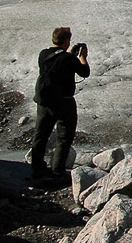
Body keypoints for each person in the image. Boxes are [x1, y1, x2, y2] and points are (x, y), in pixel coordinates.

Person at [30, 26, 91, 183]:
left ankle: (37, 168)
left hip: (44, 102)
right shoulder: (69, 59)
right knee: (64, 137)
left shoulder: (43, 54)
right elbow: (84, 72)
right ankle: (58, 172)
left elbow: (57, 63)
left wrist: (69, 53)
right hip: (64, 103)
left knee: (41, 135)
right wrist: (82, 57)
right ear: (66, 40)